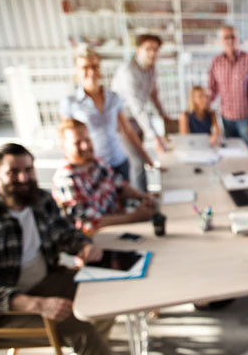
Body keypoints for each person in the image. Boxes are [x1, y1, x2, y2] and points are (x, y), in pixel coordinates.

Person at [0, 143, 130, 355]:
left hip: (48, 279)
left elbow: (65, 234)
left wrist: (84, 246)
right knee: (81, 328)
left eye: (29, 170)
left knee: (107, 292)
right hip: (7, 310)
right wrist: (39, 305)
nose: (23, 178)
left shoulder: (41, 200)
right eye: (13, 172)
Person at [61, 45, 155, 182]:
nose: (91, 71)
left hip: (119, 161)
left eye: (95, 66)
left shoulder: (113, 97)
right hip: (93, 166)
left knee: (125, 200)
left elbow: (128, 130)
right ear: (77, 71)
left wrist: (147, 158)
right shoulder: (70, 103)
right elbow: (66, 140)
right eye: (85, 67)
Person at [52, 119, 155, 235]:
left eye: (87, 140)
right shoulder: (66, 180)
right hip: (99, 238)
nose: (85, 146)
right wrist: (135, 217)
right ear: (63, 146)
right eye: (77, 143)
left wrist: (143, 196)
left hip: (120, 225)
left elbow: (121, 186)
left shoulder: (97, 163)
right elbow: (91, 224)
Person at [112, 33, 169, 192]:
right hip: (123, 121)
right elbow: (137, 108)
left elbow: (153, 94)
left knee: (142, 160)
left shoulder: (152, 68)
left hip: (138, 119)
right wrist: (155, 137)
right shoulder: (128, 71)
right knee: (138, 161)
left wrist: (163, 115)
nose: (152, 53)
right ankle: (142, 200)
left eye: (156, 49)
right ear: (138, 50)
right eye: (148, 49)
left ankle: (144, 195)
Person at [208, 25, 248, 150]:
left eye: (233, 37)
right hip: (226, 118)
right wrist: (200, 108)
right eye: (226, 37)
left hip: (246, 119)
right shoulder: (216, 62)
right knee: (231, 153)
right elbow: (212, 90)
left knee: (247, 154)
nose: (230, 40)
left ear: (238, 39)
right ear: (221, 40)